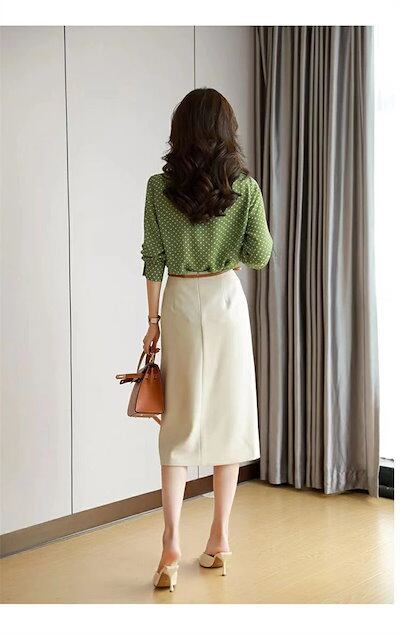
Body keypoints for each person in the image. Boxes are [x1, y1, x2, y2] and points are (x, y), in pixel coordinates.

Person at [140, 87, 273, 592]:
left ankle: (170, 544)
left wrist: (152, 321)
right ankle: (219, 539)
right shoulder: (245, 189)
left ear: (180, 131)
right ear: (226, 131)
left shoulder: (158, 187)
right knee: (228, 418)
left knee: (178, 421)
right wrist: (230, 245)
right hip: (224, 303)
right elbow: (260, 255)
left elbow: (153, 259)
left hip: (178, 302)